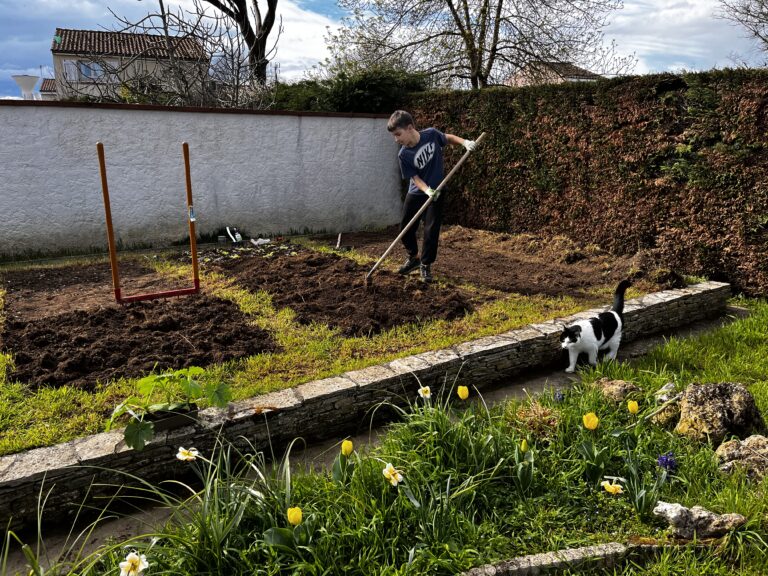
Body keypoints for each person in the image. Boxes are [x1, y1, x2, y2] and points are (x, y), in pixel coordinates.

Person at [387, 110, 476, 283]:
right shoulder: (403, 154)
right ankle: (413, 257)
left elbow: (448, 138)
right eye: (394, 136)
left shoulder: (431, 135)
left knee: (431, 230)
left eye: (398, 134)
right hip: (417, 192)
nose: (396, 139)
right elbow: (415, 178)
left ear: (410, 127)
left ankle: (425, 265)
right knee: (405, 228)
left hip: (438, 191)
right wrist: (427, 190)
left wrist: (464, 142)